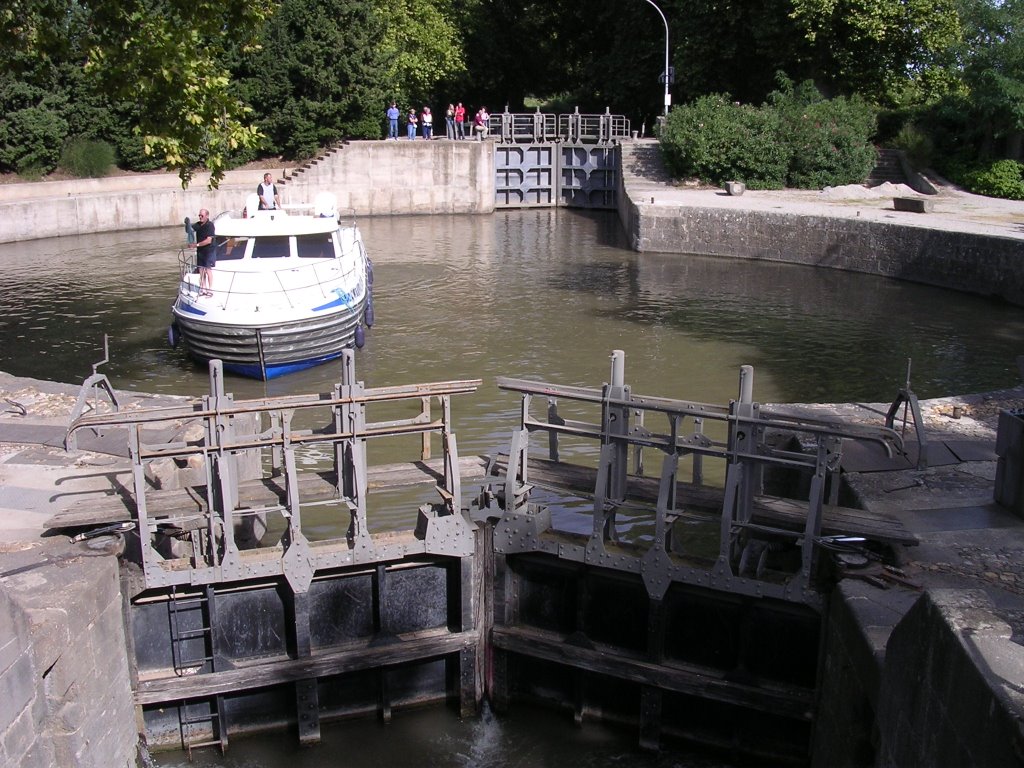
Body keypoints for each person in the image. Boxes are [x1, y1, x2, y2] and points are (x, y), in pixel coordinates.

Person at [188, 208, 216, 297]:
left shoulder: (210, 225)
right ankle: (203, 288)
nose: (200, 217)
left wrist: (196, 245)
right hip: (200, 251)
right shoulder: (198, 225)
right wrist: (187, 224)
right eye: (199, 215)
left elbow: (208, 241)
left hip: (208, 251)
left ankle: (210, 289)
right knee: (201, 270)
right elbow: (190, 230)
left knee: (208, 270)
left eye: (202, 215)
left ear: (207, 216)